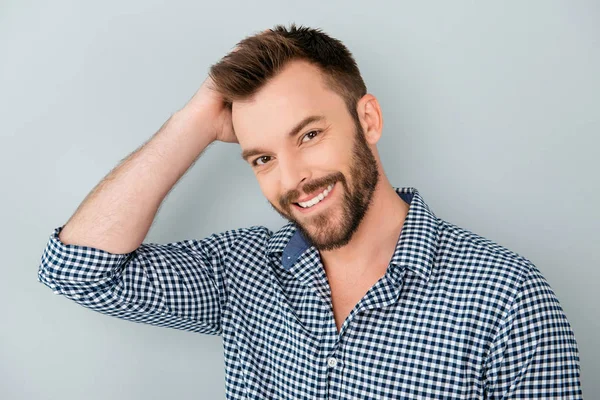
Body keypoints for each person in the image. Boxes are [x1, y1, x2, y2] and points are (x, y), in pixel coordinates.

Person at [37, 24, 582, 399]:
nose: (292, 176)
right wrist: (194, 123)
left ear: (368, 120)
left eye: (310, 134)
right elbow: (76, 271)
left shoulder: (509, 299)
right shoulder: (241, 270)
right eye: (263, 157)